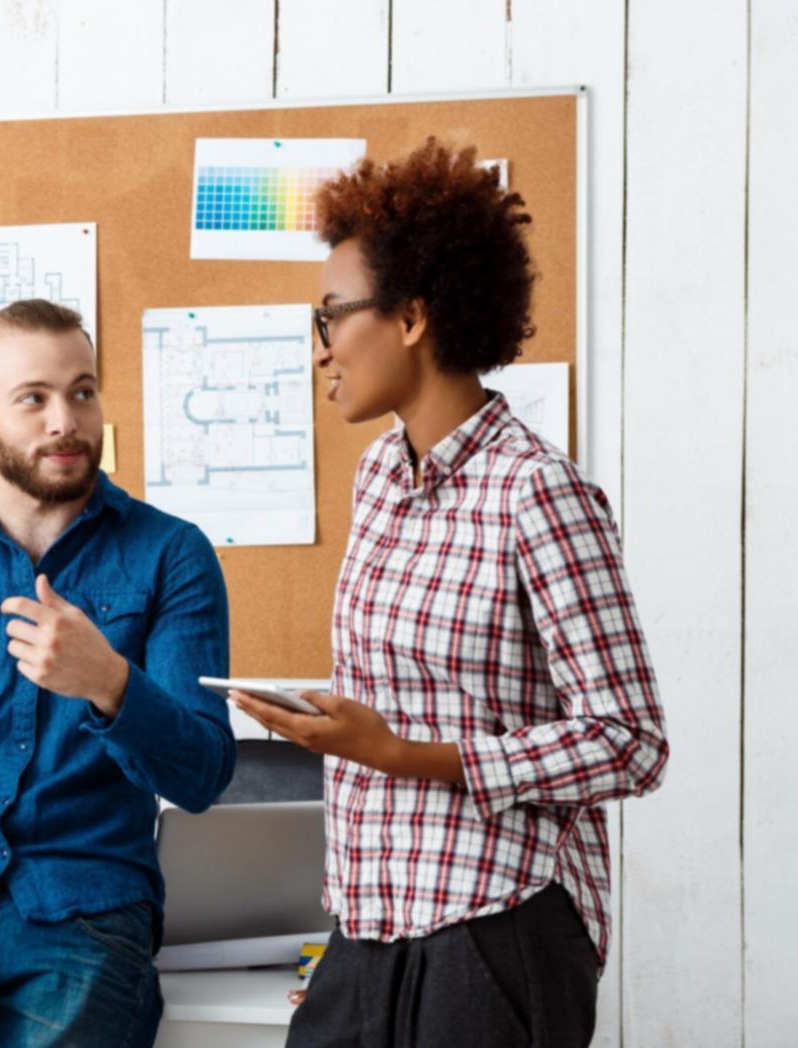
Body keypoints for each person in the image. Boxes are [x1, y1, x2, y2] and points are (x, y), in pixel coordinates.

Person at [227, 140, 671, 1047]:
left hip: (495, 922)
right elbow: (418, 689)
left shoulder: (535, 491)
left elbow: (629, 741)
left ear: (412, 316)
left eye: (329, 316)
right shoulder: (378, 476)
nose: (319, 348)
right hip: (369, 923)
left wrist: (405, 756)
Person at [0, 299, 236, 1046]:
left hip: (87, 915)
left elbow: (202, 775)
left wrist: (109, 683)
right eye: (33, 398)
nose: (66, 421)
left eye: (82, 392)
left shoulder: (172, 554)